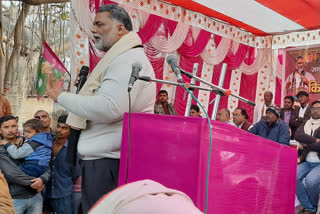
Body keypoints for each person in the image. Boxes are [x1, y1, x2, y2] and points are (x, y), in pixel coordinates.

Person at [44, 4, 156, 213]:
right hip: (104, 161)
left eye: (99, 24)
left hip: (109, 163)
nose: (93, 30)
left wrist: (61, 96)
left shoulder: (128, 59)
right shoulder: (121, 57)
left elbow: (109, 107)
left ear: (121, 29)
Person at [0, 115, 51, 214]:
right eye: (6, 127)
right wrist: (35, 184)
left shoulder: (28, 142)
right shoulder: (1, 150)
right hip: (14, 198)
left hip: (35, 197)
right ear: (0, 130)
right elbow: (11, 174)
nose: (11, 130)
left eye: (14, 126)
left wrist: (43, 179)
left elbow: (44, 165)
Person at [43, 115, 81, 214]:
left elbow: (76, 174)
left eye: (64, 128)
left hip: (63, 193)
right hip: (43, 192)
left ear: (70, 131)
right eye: (58, 126)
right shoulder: (47, 144)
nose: (59, 130)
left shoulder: (73, 150)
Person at [295, 101, 320, 214]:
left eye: (318, 108)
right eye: (313, 108)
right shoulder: (305, 123)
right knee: (293, 177)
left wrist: (306, 144)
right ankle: (309, 206)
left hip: (318, 162)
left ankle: (313, 207)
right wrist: (314, 140)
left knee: (311, 181)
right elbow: (298, 135)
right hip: (306, 161)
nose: (315, 111)